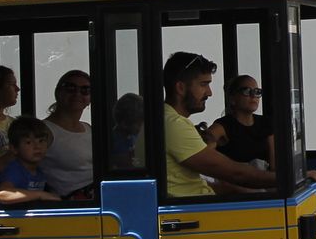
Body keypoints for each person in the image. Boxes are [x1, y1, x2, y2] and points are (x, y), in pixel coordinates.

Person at [161, 52, 279, 198]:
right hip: (198, 213)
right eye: (203, 84)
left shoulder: (167, 120)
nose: (209, 93)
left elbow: (199, 182)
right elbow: (237, 174)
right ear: (180, 88)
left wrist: (242, 191)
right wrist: (291, 179)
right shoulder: (174, 125)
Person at [40, 70, 95, 199]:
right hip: (71, 204)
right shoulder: (43, 130)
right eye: (70, 88)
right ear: (58, 92)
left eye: (85, 90)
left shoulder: (89, 128)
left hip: (98, 197)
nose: (77, 94)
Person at [207, 75, 275, 171]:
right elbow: (203, 154)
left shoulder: (265, 123)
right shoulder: (223, 125)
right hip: (233, 182)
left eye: (257, 92)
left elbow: (275, 165)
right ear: (232, 98)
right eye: (246, 91)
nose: (253, 96)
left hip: (264, 182)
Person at [0, 116, 60, 205]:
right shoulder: (15, 170)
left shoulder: (39, 171)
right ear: (14, 148)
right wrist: (40, 195)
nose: (37, 146)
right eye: (28, 142)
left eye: (41, 141)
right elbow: (2, 194)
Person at [110, 92, 144, 169]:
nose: (141, 128)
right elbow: (126, 164)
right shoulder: (115, 141)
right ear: (124, 123)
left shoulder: (134, 136)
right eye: (139, 124)